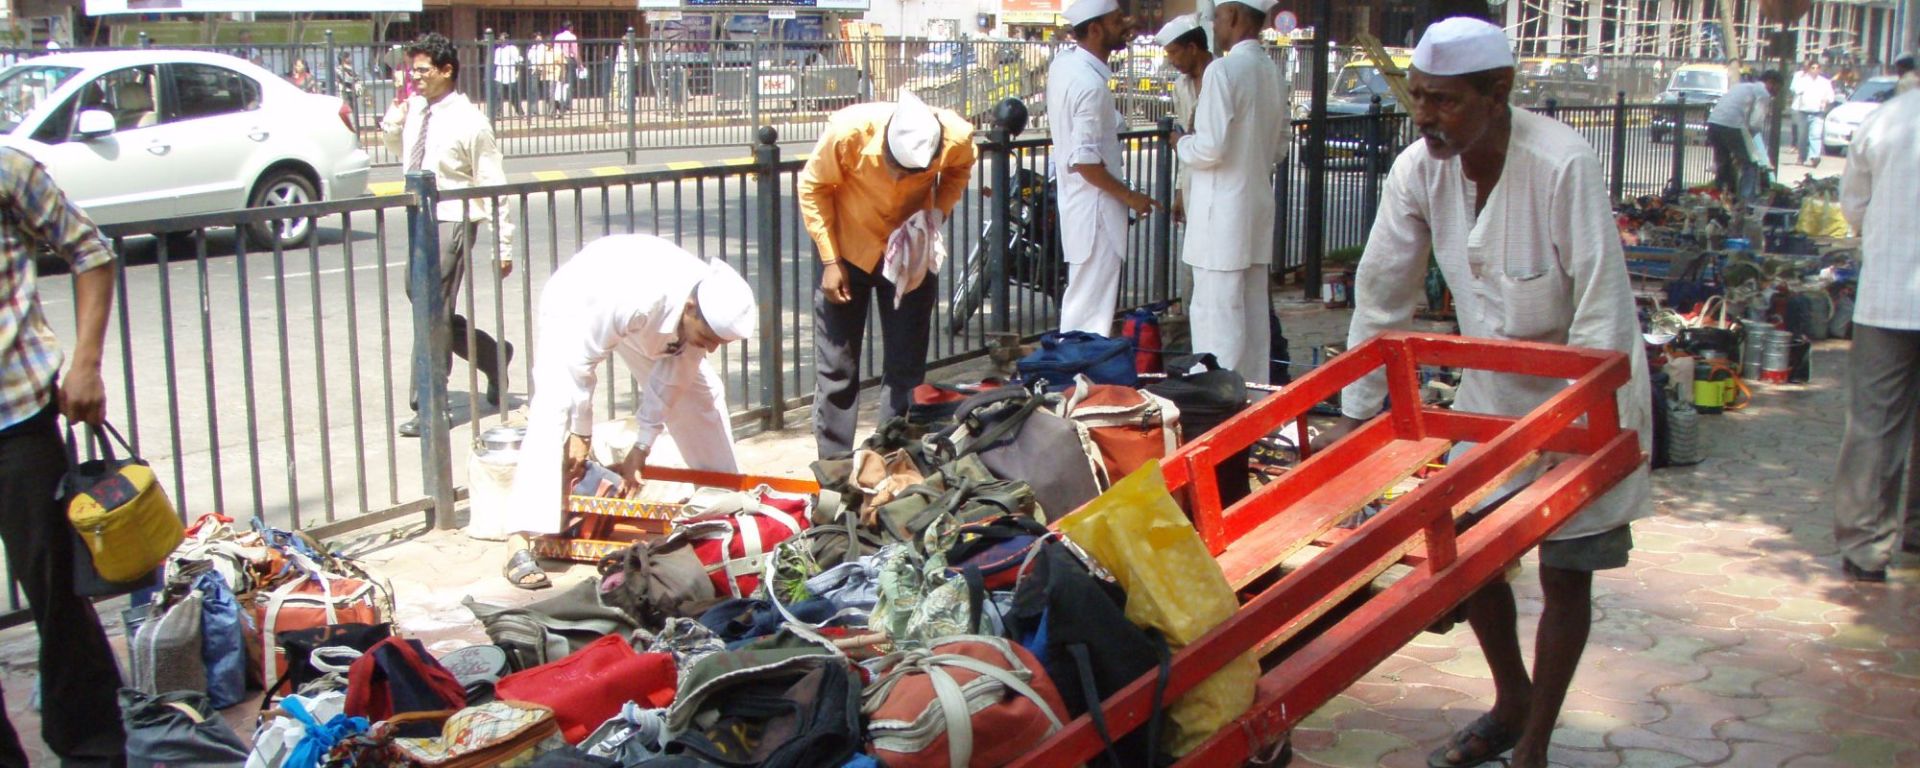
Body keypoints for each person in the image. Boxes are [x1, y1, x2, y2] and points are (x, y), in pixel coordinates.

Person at [1330, 18, 1653, 768]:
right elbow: (1382, 292)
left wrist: (1592, 426)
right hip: (1492, 395)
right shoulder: (1419, 169)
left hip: (1587, 393)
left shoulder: (1562, 164)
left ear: (1497, 92)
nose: (1426, 116)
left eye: (1444, 101)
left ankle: (1533, 742)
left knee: (1566, 570)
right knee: (1471, 556)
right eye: (1418, 98)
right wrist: (1357, 413)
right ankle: (1511, 700)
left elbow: (1603, 304)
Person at [503, 235, 757, 589]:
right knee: (555, 403)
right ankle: (521, 537)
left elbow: (672, 382)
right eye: (710, 338)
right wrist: (581, 430)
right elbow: (579, 364)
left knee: (703, 394)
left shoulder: (703, 303)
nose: (712, 348)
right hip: (580, 299)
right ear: (689, 309)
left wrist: (641, 448)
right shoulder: (634, 297)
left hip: (643, 321)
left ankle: (723, 501)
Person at [0, 147, 128, 765]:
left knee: (56, 599)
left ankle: (93, 750)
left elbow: (90, 251)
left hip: (16, 422)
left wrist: (86, 363)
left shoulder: (8, 170)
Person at [799, 92, 977, 457]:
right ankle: (834, 467)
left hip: (909, 253)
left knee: (906, 365)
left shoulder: (956, 136)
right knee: (837, 368)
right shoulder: (848, 131)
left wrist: (937, 214)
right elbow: (813, 188)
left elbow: (960, 170)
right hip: (848, 249)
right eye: (892, 165)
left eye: (909, 173)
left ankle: (892, 456)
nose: (897, 177)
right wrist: (831, 261)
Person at [381, 33, 516, 437]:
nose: (415, 77)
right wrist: (395, 116)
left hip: (452, 220)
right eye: (412, 69)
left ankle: (428, 404)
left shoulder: (471, 122)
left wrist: (503, 245)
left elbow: (494, 185)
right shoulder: (417, 110)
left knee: (430, 312)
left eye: (422, 70)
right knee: (427, 304)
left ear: (446, 70)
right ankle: (493, 358)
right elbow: (396, 148)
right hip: (418, 218)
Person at [1832, 84, 1920, 582]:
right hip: (1890, 294)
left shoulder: (1884, 120)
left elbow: (1855, 207)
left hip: (1888, 295)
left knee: (1875, 424)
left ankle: (1865, 545)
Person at [1175, 0, 1288, 385]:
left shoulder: (1224, 70)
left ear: (1235, 17)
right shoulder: (1271, 71)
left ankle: (1218, 411)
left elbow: (1209, 148)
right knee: (1254, 328)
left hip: (1220, 220)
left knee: (1216, 325)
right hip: (1254, 212)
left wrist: (1180, 143)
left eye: (1219, 18)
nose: (1216, 27)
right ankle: (1252, 413)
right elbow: (1280, 147)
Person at [1049, 0, 1157, 335]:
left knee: (1083, 301)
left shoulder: (1064, 66)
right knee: (1089, 311)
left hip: (1081, 207)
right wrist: (1132, 197)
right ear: (1095, 30)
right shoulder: (1091, 86)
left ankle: (1079, 375)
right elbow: (1085, 162)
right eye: (1115, 21)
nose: (1123, 25)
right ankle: (1079, 378)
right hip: (1095, 212)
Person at [1154, 13, 1213, 311]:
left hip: (1219, 184)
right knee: (1191, 262)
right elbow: (1183, 138)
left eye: (1175, 53)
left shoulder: (1222, 77)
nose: (1172, 60)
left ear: (1193, 47)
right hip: (1193, 184)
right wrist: (1180, 189)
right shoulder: (1181, 87)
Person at [1705, 69, 1779, 200]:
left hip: (1714, 123)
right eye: (1777, 88)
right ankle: (1746, 200)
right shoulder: (1763, 92)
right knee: (1750, 163)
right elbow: (1755, 123)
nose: (1776, 92)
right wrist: (1751, 143)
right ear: (1771, 82)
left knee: (1724, 163)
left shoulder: (1742, 86)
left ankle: (1722, 196)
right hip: (1733, 126)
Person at [1789, 59, 1835, 167]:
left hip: (1818, 112)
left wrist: (1826, 99)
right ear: (1809, 69)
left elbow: (1831, 96)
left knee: (1815, 135)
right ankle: (1801, 157)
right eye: (1812, 68)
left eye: (1817, 68)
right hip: (1803, 111)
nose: (1815, 70)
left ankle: (1815, 156)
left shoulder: (1824, 82)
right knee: (1802, 136)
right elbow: (1796, 90)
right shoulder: (1802, 80)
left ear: (1820, 69)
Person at [492, 37, 526, 118]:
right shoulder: (498, 50)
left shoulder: (512, 49)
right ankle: (498, 113)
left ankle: (520, 112)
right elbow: (496, 62)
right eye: (501, 40)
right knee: (499, 95)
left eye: (504, 40)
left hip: (510, 75)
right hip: (500, 75)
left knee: (513, 95)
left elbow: (518, 59)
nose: (502, 41)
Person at [553, 20, 580, 115]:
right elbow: (575, 51)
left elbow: (556, 49)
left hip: (559, 60)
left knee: (561, 82)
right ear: (570, 27)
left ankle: (560, 103)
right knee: (569, 83)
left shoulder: (558, 36)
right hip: (569, 59)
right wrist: (579, 63)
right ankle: (567, 104)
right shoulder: (572, 37)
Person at [527, 33, 554, 117]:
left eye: (539, 39)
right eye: (536, 39)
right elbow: (529, 58)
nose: (538, 40)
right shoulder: (531, 48)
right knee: (533, 90)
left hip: (544, 70)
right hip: (534, 70)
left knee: (546, 91)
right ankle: (534, 110)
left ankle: (548, 110)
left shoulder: (545, 48)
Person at [337, 51, 362, 128]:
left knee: (354, 112)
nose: (350, 59)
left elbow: (358, 77)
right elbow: (347, 79)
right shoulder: (339, 69)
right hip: (345, 92)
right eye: (348, 57)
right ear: (344, 59)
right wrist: (355, 78)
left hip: (353, 92)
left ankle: (356, 129)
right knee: (348, 112)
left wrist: (355, 78)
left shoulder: (351, 68)